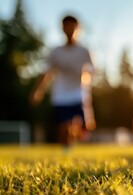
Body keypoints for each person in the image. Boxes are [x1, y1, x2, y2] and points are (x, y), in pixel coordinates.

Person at [31, 15, 95, 146]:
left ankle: (77, 130)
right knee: (63, 128)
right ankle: (66, 152)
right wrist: (38, 91)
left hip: (78, 93)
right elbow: (46, 73)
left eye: (72, 26)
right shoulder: (56, 52)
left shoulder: (84, 51)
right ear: (62, 28)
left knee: (87, 127)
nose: (69, 29)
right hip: (61, 95)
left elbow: (91, 71)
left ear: (78, 28)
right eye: (66, 26)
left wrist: (86, 81)